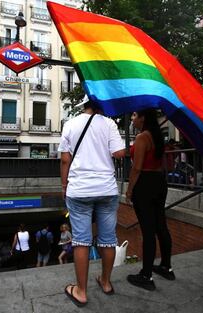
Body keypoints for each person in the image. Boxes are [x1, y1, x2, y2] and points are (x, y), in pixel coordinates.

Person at [58, 97, 125, 306]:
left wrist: (64, 186)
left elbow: (64, 160)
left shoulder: (70, 124)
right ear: (100, 104)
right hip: (106, 188)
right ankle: (105, 282)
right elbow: (120, 153)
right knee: (108, 238)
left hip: (79, 190)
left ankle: (81, 291)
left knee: (81, 240)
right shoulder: (109, 123)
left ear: (84, 105)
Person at [126, 109, 175, 291]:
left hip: (145, 184)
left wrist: (129, 190)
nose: (132, 118)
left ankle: (146, 275)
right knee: (161, 225)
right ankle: (166, 266)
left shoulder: (142, 138)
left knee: (148, 230)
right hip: (160, 181)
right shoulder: (156, 136)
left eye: (134, 115)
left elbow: (136, 168)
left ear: (142, 118)